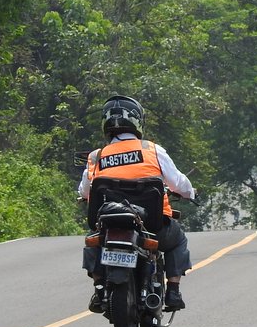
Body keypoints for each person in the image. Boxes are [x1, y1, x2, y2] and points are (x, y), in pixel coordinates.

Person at [80, 95, 195, 312]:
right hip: (152, 227)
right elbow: (179, 183)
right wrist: (190, 193)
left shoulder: (96, 156)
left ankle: (98, 288)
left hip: (109, 225)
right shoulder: (152, 150)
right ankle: (173, 290)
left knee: (93, 242)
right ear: (137, 121)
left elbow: (85, 190)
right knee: (178, 240)